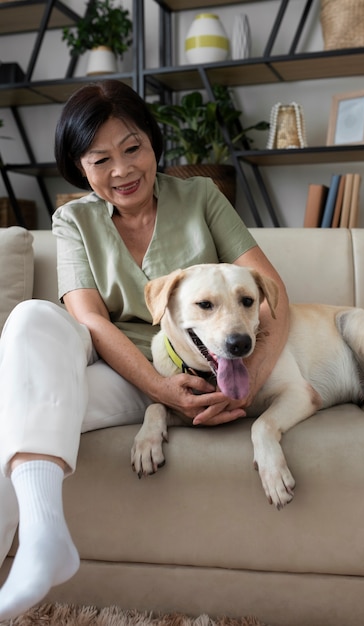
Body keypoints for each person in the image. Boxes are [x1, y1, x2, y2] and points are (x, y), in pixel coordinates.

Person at [0, 79, 289, 620]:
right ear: (79, 166)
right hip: (112, 366)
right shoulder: (73, 219)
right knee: (32, 316)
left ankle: (38, 553)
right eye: (100, 158)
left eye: (133, 148)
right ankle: (44, 538)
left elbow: (273, 293)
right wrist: (159, 389)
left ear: (153, 144)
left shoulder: (201, 196)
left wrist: (246, 388)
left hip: (181, 369)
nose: (121, 170)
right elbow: (88, 319)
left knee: (9, 417)